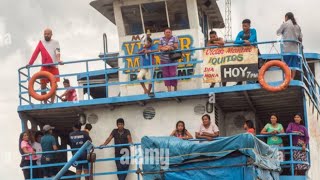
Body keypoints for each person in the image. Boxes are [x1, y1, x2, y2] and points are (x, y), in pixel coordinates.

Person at [27, 28, 63, 104]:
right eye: (45, 34)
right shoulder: (41, 42)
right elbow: (35, 53)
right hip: (44, 67)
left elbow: (57, 52)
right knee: (43, 85)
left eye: (48, 34)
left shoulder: (55, 42)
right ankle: (45, 102)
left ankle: (52, 102)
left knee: (54, 85)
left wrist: (59, 60)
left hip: (54, 67)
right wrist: (30, 63)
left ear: (51, 34)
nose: (46, 35)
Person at [277, 12, 303, 80]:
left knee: (286, 64)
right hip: (295, 49)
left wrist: (282, 26)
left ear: (286, 17)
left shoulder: (285, 24)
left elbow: (278, 33)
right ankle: (292, 78)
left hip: (286, 48)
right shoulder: (297, 26)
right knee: (294, 64)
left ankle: (287, 78)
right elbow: (300, 38)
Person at [159, 27, 179, 92]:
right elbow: (160, 48)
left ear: (171, 33)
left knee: (173, 74)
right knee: (166, 75)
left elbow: (176, 46)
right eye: (166, 32)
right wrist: (166, 48)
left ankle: (175, 88)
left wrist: (169, 47)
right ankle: (169, 90)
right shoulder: (161, 39)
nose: (168, 33)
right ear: (164, 33)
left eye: (169, 32)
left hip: (172, 59)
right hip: (163, 60)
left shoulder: (175, 38)